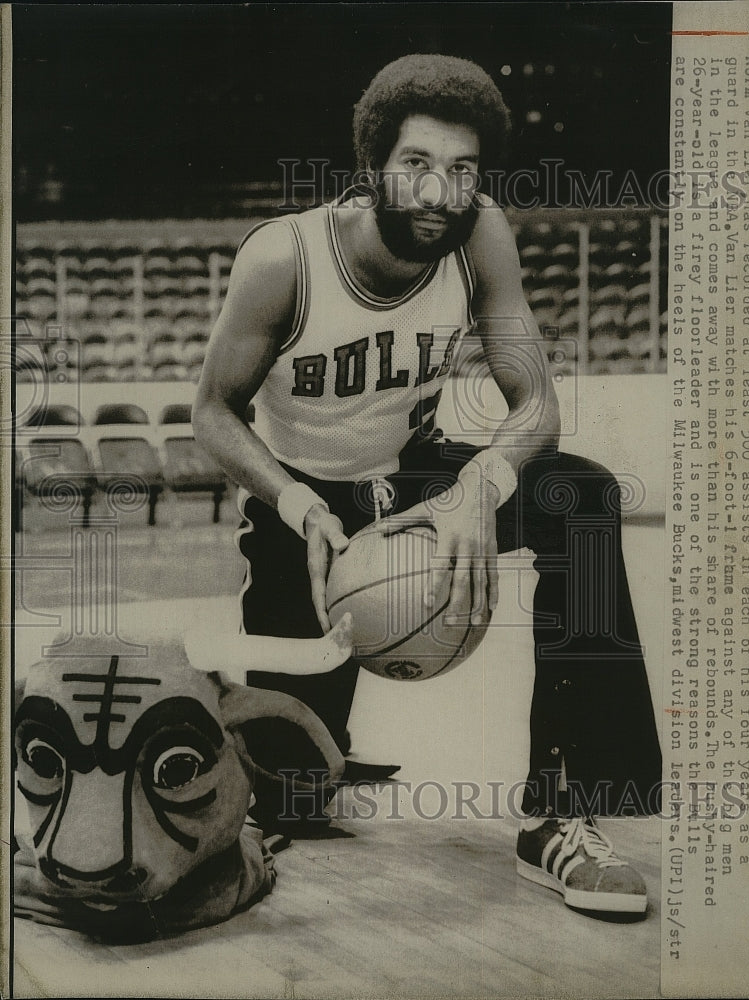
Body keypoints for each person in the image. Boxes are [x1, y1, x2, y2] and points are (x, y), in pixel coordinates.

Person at [193, 53, 662, 915]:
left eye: (462, 169)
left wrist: (481, 483)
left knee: (580, 497)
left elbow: (537, 407)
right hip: (306, 501)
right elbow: (214, 414)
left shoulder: (481, 234)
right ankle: (298, 748)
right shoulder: (284, 260)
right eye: (416, 165)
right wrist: (295, 506)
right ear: (373, 169)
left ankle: (563, 809)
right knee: (293, 794)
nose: (440, 192)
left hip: (416, 476)